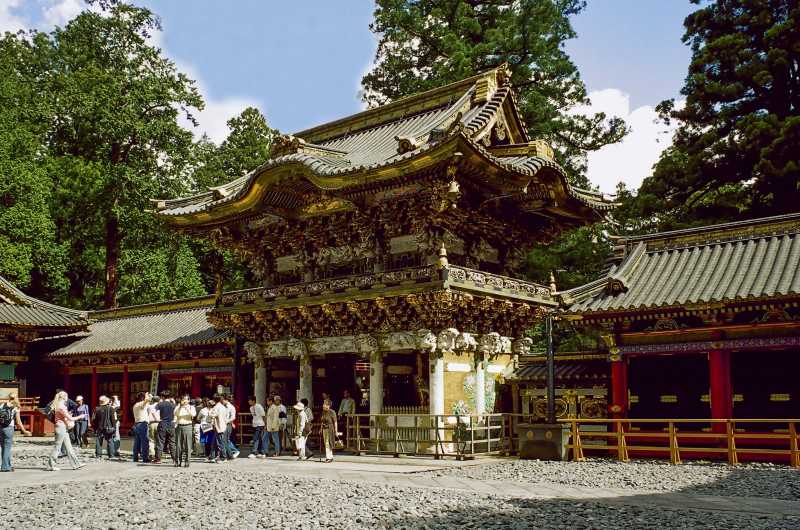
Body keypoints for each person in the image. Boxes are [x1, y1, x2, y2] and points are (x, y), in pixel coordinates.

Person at [46, 391, 85, 471]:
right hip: (61, 428)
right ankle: (51, 465)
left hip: (62, 427)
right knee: (57, 447)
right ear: (64, 397)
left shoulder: (59, 405)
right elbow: (70, 418)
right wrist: (80, 416)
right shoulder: (61, 406)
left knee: (69, 447)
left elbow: (64, 417)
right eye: (67, 396)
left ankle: (76, 464)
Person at [1, 394, 31, 472]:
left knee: (4, 448)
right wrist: (24, 431)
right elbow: (18, 421)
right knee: (7, 448)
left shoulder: (2, 405)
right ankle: (5, 467)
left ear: (9, 398)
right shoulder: (16, 407)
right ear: (16, 398)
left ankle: (8, 466)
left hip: (1, 428)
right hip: (9, 428)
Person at [91, 395, 117, 460]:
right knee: (110, 441)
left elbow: (94, 420)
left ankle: (98, 455)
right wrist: (114, 428)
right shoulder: (110, 408)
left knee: (99, 441)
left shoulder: (97, 409)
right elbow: (113, 420)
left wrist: (95, 428)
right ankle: (111, 455)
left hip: (99, 428)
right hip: (108, 428)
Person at [154, 390, 176, 464]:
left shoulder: (160, 404)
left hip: (162, 423)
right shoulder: (173, 405)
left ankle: (158, 459)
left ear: (162, 397)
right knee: (172, 442)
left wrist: (158, 419)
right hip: (171, 423)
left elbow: (153, 411)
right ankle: (174, 459)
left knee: (160, 441)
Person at [174, 395, 195, 468]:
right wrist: (180, 406)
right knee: (178, 445)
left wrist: (186, 408)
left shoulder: (191, 407)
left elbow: (193, 415)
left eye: (186, 399)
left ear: (189, 400)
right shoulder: (178, 407)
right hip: (179, 426)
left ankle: (187, 461)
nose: (184, 401)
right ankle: (178, 461)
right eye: (183, 399)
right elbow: (175, 414)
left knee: (188, 445)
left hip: (187, 426)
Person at [131, 392, 151, 463]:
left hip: (136, 424)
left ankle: (135, 457)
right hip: (142, 424)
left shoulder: (135, 405)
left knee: (137, 442)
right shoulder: (141, 404)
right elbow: (147, 400)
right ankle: (145, 458)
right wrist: (147, 395)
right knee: (145, 442)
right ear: (142, 398)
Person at [210, 394, 230, 463]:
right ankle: (214, 456)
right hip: (223, 425)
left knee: (220, 443)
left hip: (219, 427)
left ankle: (223, 457)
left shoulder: (216, 407)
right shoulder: (223, 407)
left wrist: (211, 409)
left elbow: (212, 414)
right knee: (218, 442)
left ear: (214, 400)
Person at [320, 399, 339, 463]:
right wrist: (321, 429)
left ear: (328, 405)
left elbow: (335, 422)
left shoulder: (332, 412)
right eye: (323, 404)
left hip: (330, 428)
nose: (323, 405)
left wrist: (336, 431)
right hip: (324, 429)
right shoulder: (323, 412)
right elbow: (322, 421)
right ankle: (330, 456)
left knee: (328, 443)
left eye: (324, 404)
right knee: (326, 443)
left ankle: (328, 457)